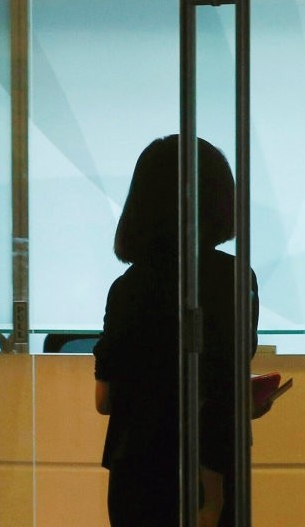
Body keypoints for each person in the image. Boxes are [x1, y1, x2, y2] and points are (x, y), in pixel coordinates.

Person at [93, 135, 259, 527]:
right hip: (217, 466)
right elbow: (224, 380)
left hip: (140, 468)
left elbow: (105, 398)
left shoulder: (128, 288)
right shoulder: (236, 279)